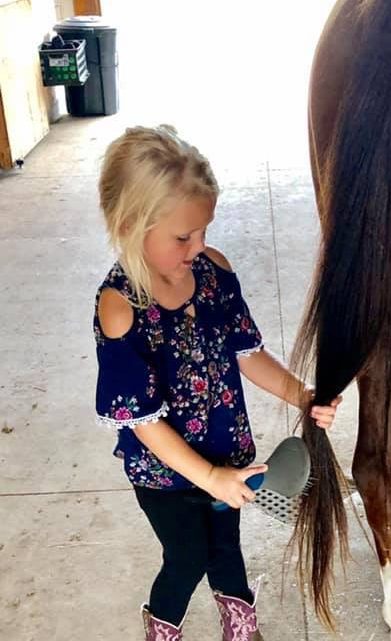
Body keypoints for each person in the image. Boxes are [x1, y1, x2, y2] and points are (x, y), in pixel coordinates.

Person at [93, 125, 340, 641]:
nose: (199, 246)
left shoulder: (213, 273)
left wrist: (305, 394)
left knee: (226, 546)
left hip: (229, 458)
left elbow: (247, 354)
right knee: (188, 555)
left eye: (204, 229)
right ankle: (161, 627)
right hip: (164, 473)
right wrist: (207, 478)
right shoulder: (121, 309)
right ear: (131, 224)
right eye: (183, 237)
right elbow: (144, 423)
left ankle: (240, 620)